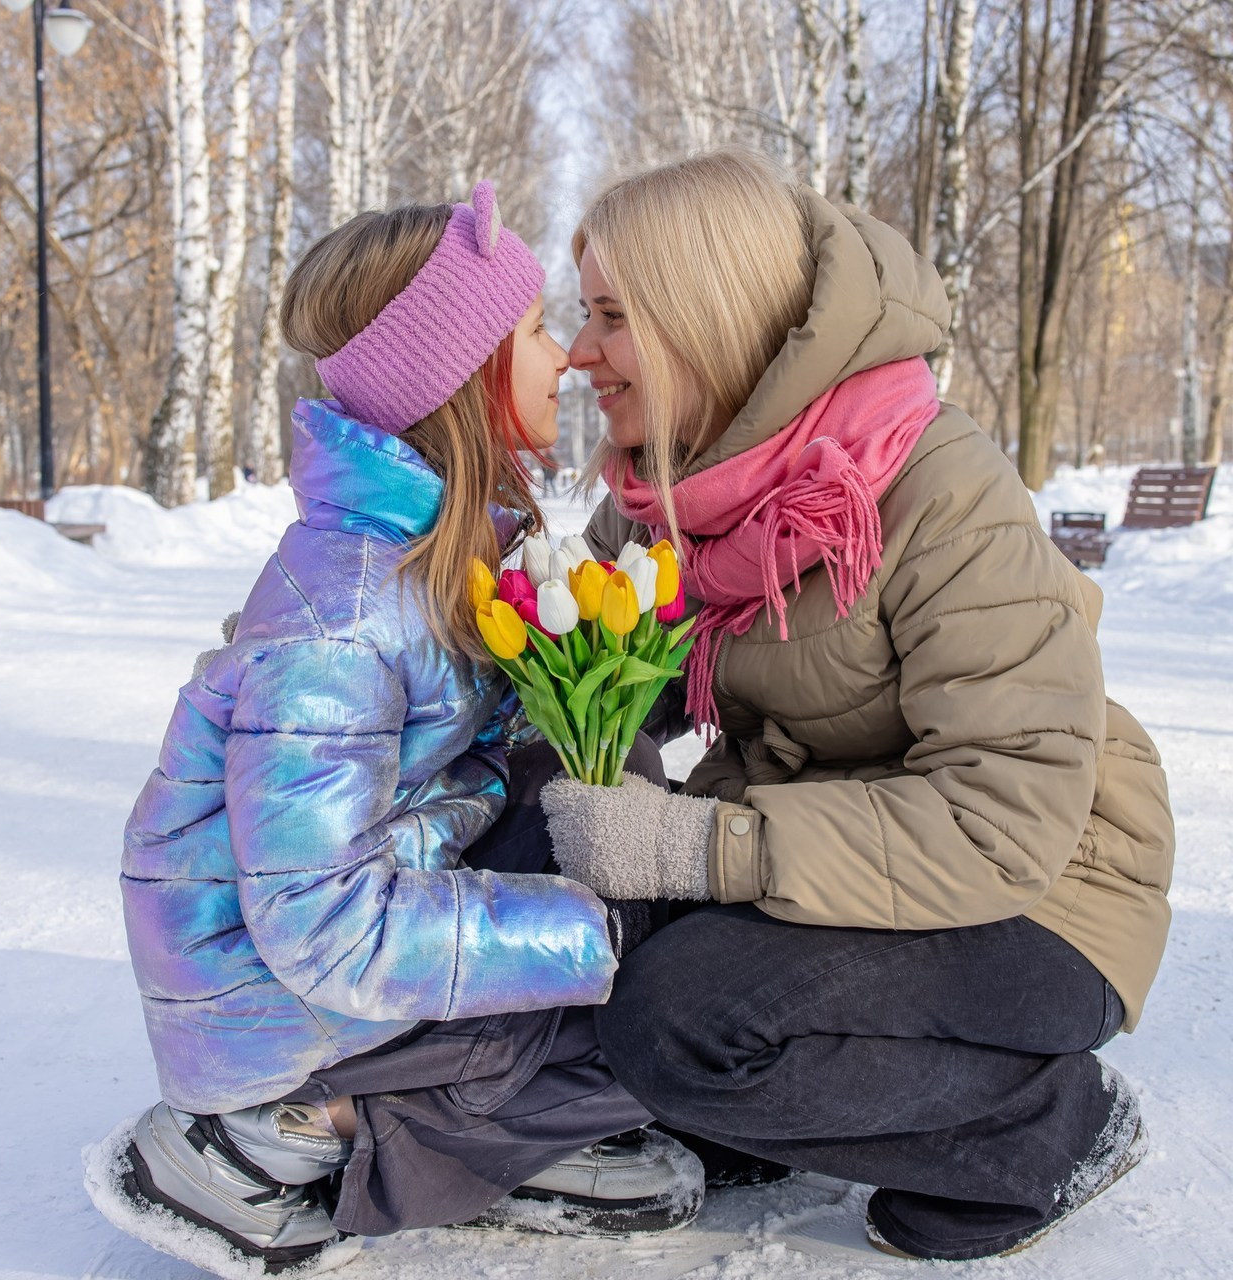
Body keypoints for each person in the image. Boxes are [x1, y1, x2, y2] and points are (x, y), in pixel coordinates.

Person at [539, 148, 1175, 1262]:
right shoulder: (664, 494)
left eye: (608, 316)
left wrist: (700, 846)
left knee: (674, 1021)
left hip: (1043, 892)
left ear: (703, 317)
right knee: (595, 957)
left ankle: (1045, 1127)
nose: (583, 351)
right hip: (852, 864)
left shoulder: (934, 487)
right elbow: (591, 680)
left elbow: (1002, 817)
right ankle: (804, 1103)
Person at [89, 183, 701, 1280]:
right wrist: (583, 933)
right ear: (459, 373)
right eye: (529, 331)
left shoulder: (437, 552)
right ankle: (284, 1136)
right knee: (652, 1010)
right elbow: (321, 927)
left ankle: (471, 1102)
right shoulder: (341, 617)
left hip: (343, 929)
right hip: (270, 1003)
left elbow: (482, 761)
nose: (563, 355)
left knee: (638, 858)